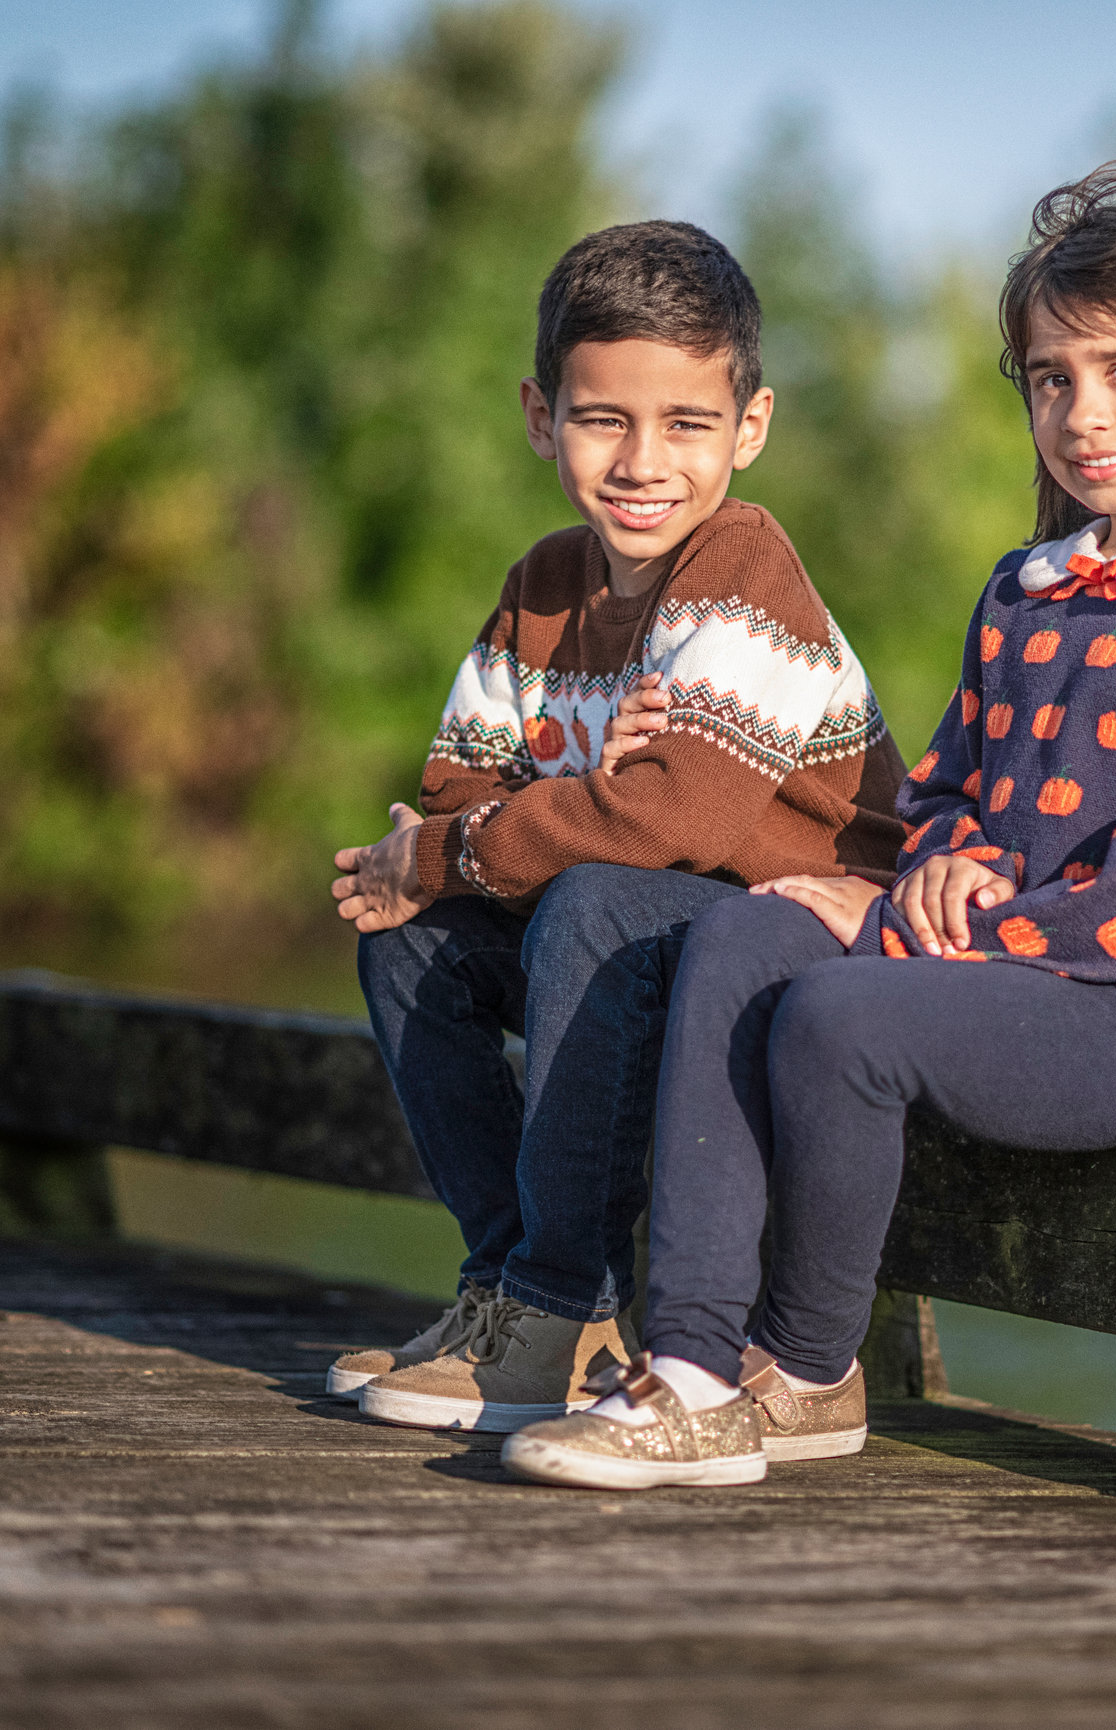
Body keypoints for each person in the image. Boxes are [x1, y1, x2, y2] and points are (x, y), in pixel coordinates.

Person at [495, 162, 1116, 1490]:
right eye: (1050, 377)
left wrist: (915, 923)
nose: (1081, 412)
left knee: (843, 1016)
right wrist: (935, 857)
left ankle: (808, 1364)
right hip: (989, 966)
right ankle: (686, 1368)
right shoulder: (1029, 587)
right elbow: (945, 782)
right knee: (742, 933)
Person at [324, 220, 906, 1432]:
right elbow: (453, 800)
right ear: (542, 416)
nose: (643, 461)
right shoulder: (541, 586)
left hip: (794, 929)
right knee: (409, 942)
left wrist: (532, 826)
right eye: (603, 419)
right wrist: (578, 795)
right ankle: (526, 1293)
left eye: (687, 424)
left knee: (585, 893)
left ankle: (547, 1303)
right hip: (649, 919)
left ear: (748, 428)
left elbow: (667, 817)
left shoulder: (743, 566)